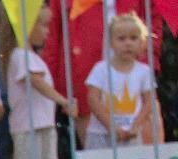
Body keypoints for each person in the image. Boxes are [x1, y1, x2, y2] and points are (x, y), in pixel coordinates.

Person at [41, 0, 164, 147]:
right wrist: (61, 93)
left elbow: (153, 20)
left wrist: (146, 59)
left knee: (148, 158)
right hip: (84, 85)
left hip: (137, 84)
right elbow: (52, 37)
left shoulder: (142, 72)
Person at [4, 4, 76, 159]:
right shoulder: (20, 55)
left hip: (44, 125)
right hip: (27, 128)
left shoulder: (31, 56)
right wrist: (62, 100)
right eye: (42, 25)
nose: (47, 31)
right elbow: (36, 82)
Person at [83, 13, 156, 150]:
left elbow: (149, 100)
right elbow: (93, 98)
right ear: (111, 43)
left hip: (131, 134)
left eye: (133, 38)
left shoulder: (144, 71)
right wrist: (111, 126)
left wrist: (136, 125)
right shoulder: (101, 69)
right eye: (121, 39)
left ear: (142, 42)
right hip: (101, 134)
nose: (128, 43)